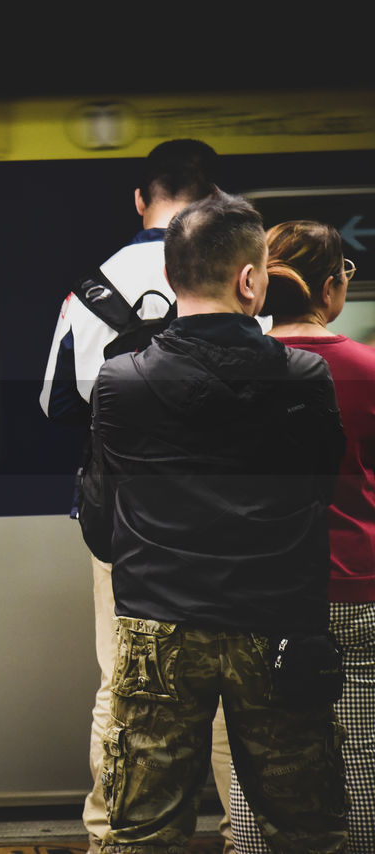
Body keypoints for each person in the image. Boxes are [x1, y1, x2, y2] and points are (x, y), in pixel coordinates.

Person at [79, 193, 347, 853]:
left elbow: (98, 519)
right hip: (279, 628)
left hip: (158, 629)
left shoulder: (121, 382)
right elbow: (322, 486)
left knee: (142, 833)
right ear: (251, 279)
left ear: (171, 278)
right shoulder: (305, 376)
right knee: (305, 831)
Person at [38, 138, 236, 853]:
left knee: (125, 683)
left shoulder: (98, 285)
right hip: (236, 521)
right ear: (215, 199)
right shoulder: (247, 276)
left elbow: (57, 404)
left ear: (138, 199)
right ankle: (243, 831)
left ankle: (115, 834)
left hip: (127, 520)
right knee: (232, 688)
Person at [227, 221, 375, 852]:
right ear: (332, 286)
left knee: (257, 757)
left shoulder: (234, 369)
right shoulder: (366, 366)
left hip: (258, 588)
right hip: (354, 577)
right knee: (364, 749)